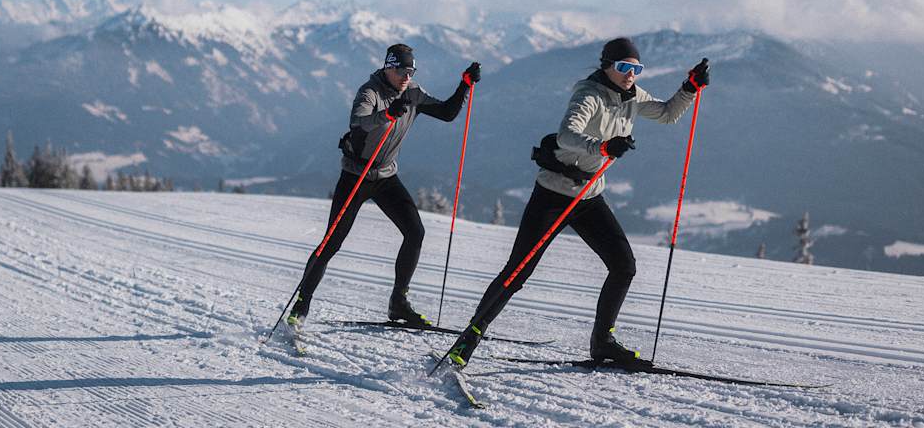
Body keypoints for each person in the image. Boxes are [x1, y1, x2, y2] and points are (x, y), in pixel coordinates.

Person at [443, 37, 709, 367]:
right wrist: (602, 147)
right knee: (518, 272)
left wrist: (689, 88)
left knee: (624, 265)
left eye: (636, 69)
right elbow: (568, 134)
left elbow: (668, 114)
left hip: (588, 195)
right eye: (624, 67)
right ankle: (467, 340)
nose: (631, 75)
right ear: (607, 67)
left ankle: (603, 343)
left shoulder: (633, 96)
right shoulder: (589, 94)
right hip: (553, 195)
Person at [286, 43, 481, 328]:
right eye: (401, 70)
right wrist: (387, 115)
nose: (406, 76)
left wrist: (464, 85)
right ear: (388, 67)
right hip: (356, 176)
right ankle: (301, 305)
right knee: (332, 243)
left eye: (410, 70)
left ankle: (398, 303)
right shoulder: (370, 92)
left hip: (386, 177)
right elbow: (359, 123)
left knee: (415, 232)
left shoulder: (412, 92)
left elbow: (447, 113)